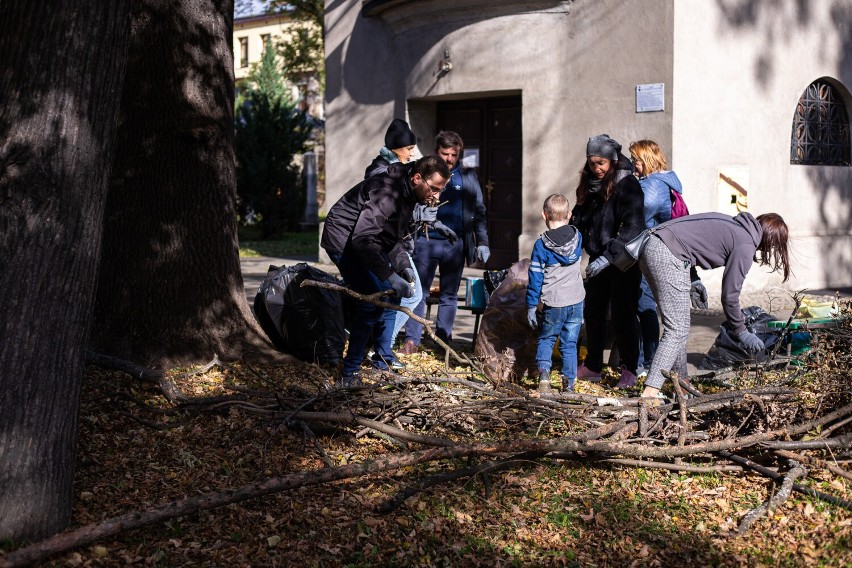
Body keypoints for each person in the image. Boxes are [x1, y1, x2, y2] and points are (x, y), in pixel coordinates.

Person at [321, 154, 451, 386]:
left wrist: (402, 267)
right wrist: (389, 275)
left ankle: (381, 359)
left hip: (365, 241)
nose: (436, 197)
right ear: (417, 178)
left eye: (440, 191)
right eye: (433, 189)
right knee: (373, 299)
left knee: (392, 296)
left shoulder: (409, 194)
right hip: (343, 239)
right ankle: (348, 373)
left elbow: (390, 238)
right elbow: (362, 239)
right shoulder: (388, 192)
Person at [638, 212, 791, 399]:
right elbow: (730, 296)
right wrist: (742, 332)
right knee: (676, 329)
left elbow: (685, 239)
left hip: (652, 246)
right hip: (666, 254)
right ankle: (649, 394)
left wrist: (693, 280)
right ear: (770, 239)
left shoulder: (734, 225)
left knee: (680, 326)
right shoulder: (745, 244)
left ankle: (683, 385)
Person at [400, 131, 490, 352]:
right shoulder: (425, 172)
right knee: (419, 291)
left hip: (456, 244)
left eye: (454, 155)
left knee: (449, 295)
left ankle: (443, 342)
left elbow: (479, 210)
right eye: (445, 153)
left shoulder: (468, 175)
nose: (449, 159)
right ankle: (412, 340)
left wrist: (483, 241)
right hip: (426, 241)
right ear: (435, 151)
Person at [628, 140, 708, 377]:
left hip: (656, 254)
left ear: (647, 161)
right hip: (666, 253)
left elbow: (638, 218)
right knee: (664, 316)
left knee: (647, 309)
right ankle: (667, 371)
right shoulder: (663, 182)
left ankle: (651, 365)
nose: (634, 164)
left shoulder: (652, 187)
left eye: (637, 160)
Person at [570, 134, 645, 388]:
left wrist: (609, 257)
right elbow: (580, 219)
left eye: (601, 163)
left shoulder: (628, 184)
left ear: (612, 160)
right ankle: (592, 365)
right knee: (593, 312)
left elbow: (633, 227)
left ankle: (630, 369)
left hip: (624, 262)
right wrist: (568, 240)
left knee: (624, 315)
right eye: (592, 163)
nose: (596, 169)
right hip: (597, 260)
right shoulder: (591, 184)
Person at [526, 194, 585, 394]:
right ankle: (569, 385)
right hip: (576, 300)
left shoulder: (542, 244)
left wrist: (532, 305)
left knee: (546, 339)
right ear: (569, 214)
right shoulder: (578, 237)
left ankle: (544, 376)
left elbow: (535, 277)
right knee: (569, 343)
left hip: (554, 302)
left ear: (544, 215)